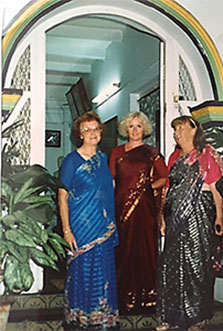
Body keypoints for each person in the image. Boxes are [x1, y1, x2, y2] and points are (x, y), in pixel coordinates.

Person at [156, 115, 223, 331]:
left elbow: (216, 188)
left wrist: (218, 217)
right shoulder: (174, 157)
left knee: (197, 266)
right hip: (174, 218)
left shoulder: (206, 154)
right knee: (171, 266)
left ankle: (197, 318)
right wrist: (161, 217)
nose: (177, 133)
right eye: (174, 129)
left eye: (181, 128)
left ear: (194, 130)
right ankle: (171, 317)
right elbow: (167, 188)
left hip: (200, 215)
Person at [58, 111, 119, 329]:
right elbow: (62, 196)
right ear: (79, 134)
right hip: (80, 226)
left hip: (102, 227)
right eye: (87, 129)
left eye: (96, 128)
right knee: (81, 271)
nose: (92, 133)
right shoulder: (71, 161)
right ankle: (80, 319)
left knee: (102, 270)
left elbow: (108, 188)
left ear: (101, 132)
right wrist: (67, 230)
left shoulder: (103, 159)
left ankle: (102, 319)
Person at [109, 111, 168, 313]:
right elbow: (112, 181)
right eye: (131, 126)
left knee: (145, 251)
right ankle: (123, 297)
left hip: (144, 211)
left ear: (145, 129)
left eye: (139, 126)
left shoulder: (152, 153)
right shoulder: (116, 152)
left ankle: (147, 298)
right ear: (126, 129)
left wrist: (146, 188)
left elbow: (164, 177)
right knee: (123, 251)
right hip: (120, 209)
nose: (135, 130)